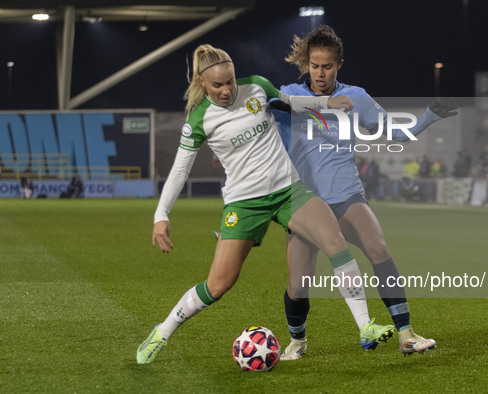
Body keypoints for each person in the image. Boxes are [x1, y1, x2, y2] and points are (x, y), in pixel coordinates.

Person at [137, 44, 395, 364]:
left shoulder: (257, 86)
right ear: (202, 82)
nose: (227, 90)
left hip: (288, 190)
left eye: (230, 81)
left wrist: (326, 101)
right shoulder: (200, 118)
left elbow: (291, 103)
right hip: (245, 204)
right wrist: (160, 215)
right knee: (219, 284)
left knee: (335, 241)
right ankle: (162, 330)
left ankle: (365, 327)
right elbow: (180, 169)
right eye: (218, 85)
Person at [273, 25, 457, 360]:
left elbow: (396, 134)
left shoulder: (356, 97)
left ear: (339, 64)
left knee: (379, 250)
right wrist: (325, 102)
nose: (320, 72)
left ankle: (406, 333)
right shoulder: (288, 95)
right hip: (303, 202)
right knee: (298, 286)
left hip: (345, 194)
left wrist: (427, 117)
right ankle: (297, 342)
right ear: (306, 64)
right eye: (314, 65)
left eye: (327, 66)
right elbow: (270, 102)